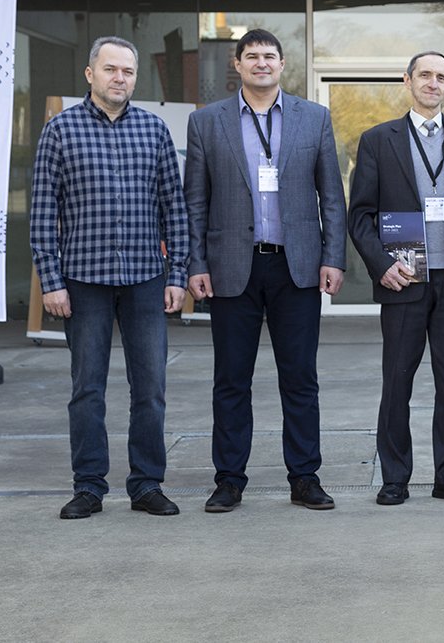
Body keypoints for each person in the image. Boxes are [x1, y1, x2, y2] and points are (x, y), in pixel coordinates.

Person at [184, 29, 347, 513]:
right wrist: (196, 263)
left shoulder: (313, 118)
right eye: (251, 56)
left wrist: (332, 257)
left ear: (282, 65)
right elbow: (196, 201)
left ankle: (305, 477)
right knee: (231, 379)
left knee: (300, 378)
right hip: (231, 267)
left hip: (295, 268)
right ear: (237, 64)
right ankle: (230, 479)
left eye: (269, 57)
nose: (261, 64)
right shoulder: (206, 123)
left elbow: (331, 198)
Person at [30, 36, 188, 520]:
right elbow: (41, 214)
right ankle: (89, 487)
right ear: (90, 73)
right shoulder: (60, 131)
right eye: (111, 69)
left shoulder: (154, 130)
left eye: (128, 71)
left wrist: (176, 274)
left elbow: (174, 210)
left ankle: (145, 485)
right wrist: (51, 281)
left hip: (144, 279)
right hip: (83, 281)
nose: (120, 78)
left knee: (151, 389)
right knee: (87, 389)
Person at [348, 51, 444, 506]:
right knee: (397, 381)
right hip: (403, 279)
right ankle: (394, 478)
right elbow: (360, 215)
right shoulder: (377, 140)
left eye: (441, 77)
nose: (432, 82)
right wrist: (382, 265)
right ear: (408, 80)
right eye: (424, 74)